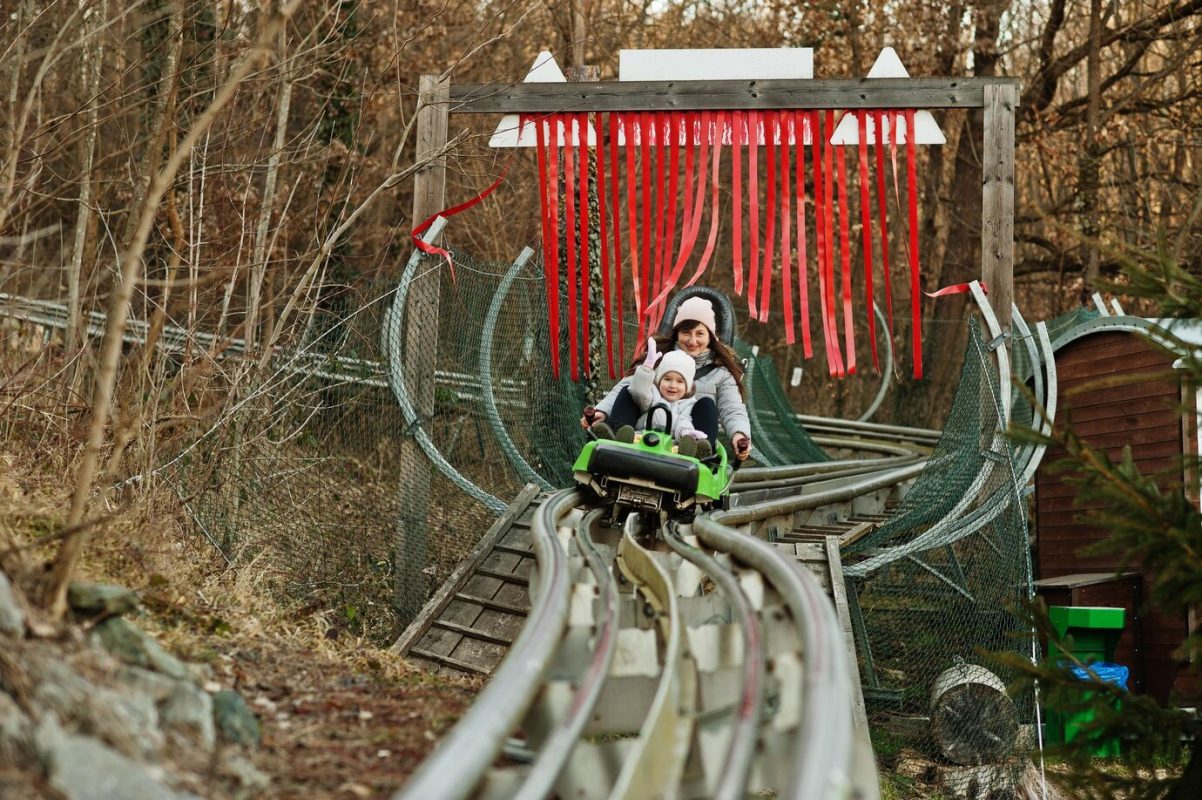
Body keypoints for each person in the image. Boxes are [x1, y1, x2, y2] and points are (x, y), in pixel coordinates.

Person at [582, 295, 752, 461]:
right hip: (645, 429)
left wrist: (739, 434)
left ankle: (700, 450)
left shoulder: (721, 372)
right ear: (677, 333)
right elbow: (628, 385)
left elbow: (732, 408)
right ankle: (618, 435)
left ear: (710, 337)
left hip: (685, 435)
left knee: (707, 404)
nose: (692, 340)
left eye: (700, 333)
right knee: (631, 389)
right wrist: (602, 410)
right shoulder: (658, 358)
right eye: (686, 332)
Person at [590, 338, 713, 457]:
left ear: (687, 387)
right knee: (627, 392)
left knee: (681, 446)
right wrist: (647, 369)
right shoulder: (653, 393)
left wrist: (686, 433)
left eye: (680, 381)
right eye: (667, 379)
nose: (673, 386)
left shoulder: (689, 404)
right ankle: (615, 438)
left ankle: (694, 453)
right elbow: (639, 392)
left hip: (670, 445)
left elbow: (684, 421)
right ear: (659, 381)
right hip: (640, 438)